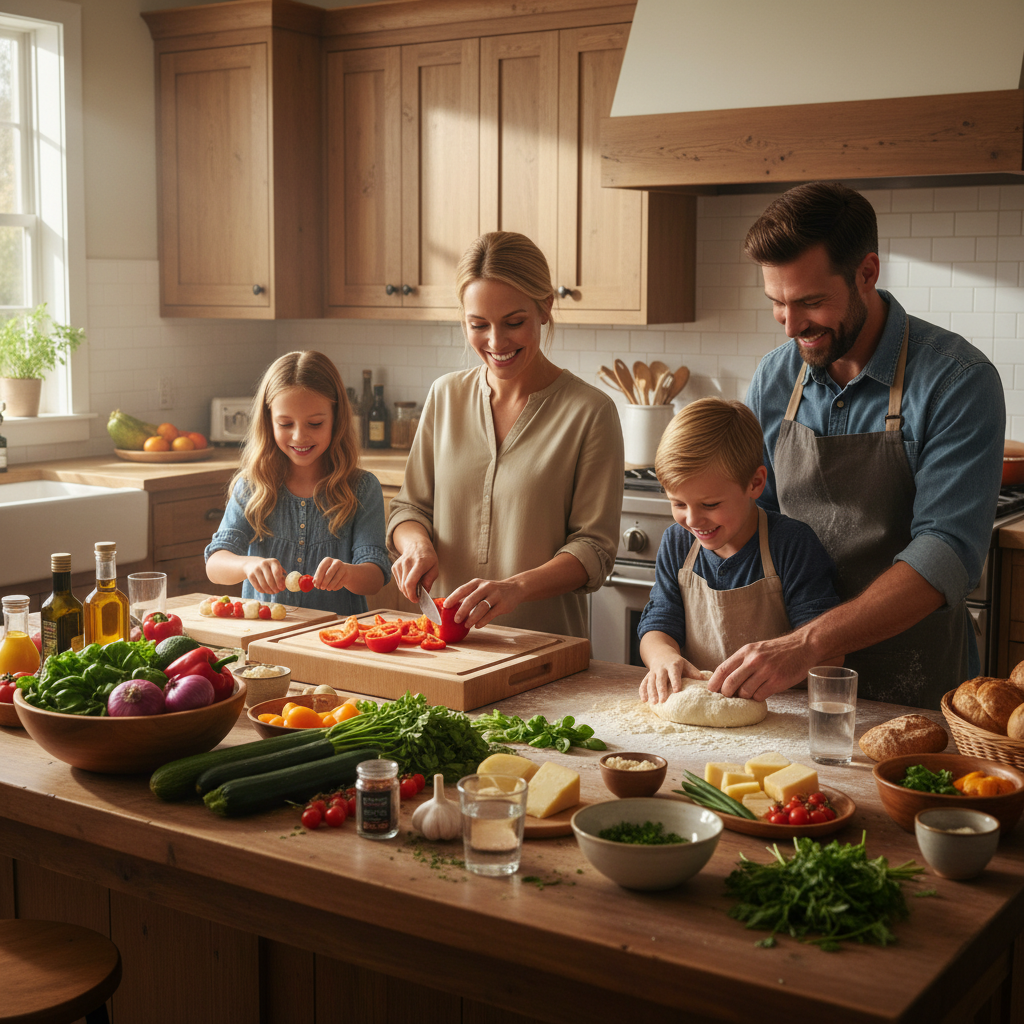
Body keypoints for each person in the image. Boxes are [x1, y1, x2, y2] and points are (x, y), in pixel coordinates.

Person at [709, 181, 1005, 709]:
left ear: (867, 272)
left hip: (914, 685)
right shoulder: (775, 379)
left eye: (811, 302)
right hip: (791, 684)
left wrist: (810, 642)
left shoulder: (958, 380)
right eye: (777, 303)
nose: (792, 326)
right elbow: (757, 518)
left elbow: (946, 551)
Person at [387, 231, 623, 638]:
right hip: (445, 646)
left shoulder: (590, 413)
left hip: (543, 649)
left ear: (545, 308)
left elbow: (594, 551)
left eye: (514, 323)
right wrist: (416, 545)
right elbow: (409, 509)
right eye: (478, 325)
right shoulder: (445, 396)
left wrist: (516, 588)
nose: (496, 342)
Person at [637, 397, 840, 703]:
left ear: (755, 483)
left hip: (786, 714)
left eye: (710, 504)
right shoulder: (677, 542)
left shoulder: (790, 544)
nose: (692, 520)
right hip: (700, 711)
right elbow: (657, 625)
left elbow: (828, 654)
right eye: (678, 503)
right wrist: (663, 657)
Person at [206, 350, 390, 615]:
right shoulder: (252, 486)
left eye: (315, 423)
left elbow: (374, 577)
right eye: (285, 423)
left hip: (337, 638)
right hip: (264, 637)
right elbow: (215, 564)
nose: (299, 436)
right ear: (268, 421)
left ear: (336, 418)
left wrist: (348, 573)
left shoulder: (361, 488)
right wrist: (247, 566)